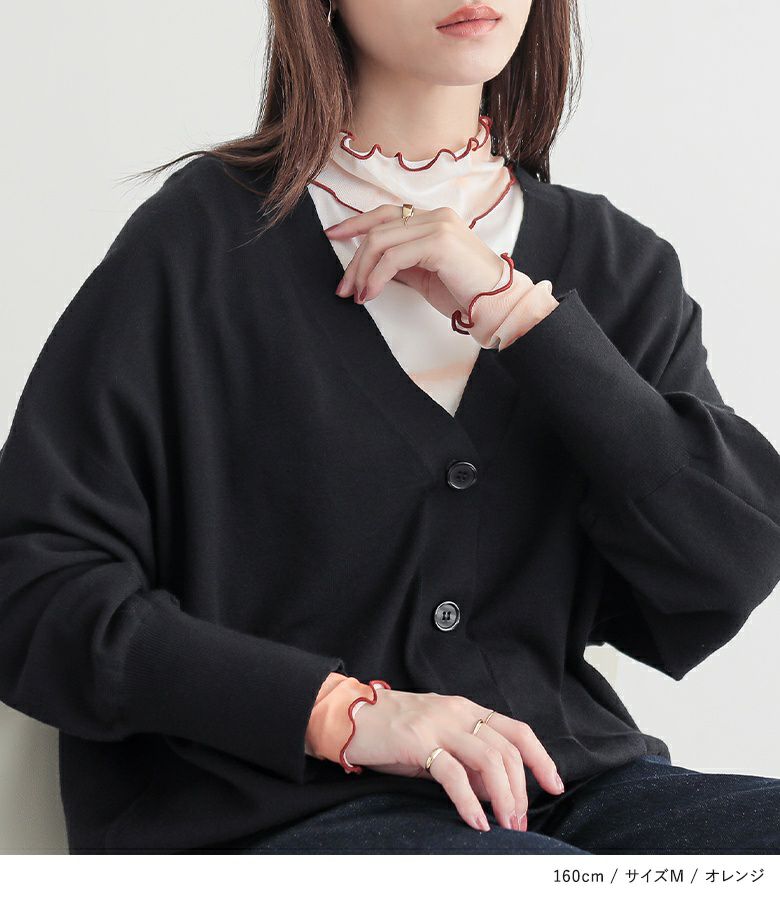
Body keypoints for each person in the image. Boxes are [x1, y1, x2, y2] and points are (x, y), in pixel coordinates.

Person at [1, 0, 779, 854]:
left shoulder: (618, 263)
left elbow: (729, 562)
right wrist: (339, 711)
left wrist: (520, 316)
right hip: (272, 808)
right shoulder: (202, 244)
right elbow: (34, 585)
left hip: (567, 789)